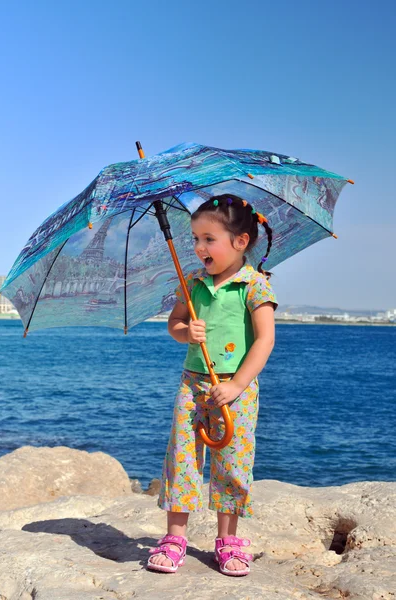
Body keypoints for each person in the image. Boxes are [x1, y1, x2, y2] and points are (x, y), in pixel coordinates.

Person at [147, 194, 277, 576]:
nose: (199, 247)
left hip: (235, 389)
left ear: (240, 242)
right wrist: (186, 332)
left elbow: (265, 340)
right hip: (193, 384)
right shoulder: (194, 284)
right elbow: (174, 324)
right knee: (183, 458)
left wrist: (237, 385)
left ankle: (228, 540)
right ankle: (174, 537)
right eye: (195, 239)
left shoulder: (255, 285)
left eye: (208, 239)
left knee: (232, 462)